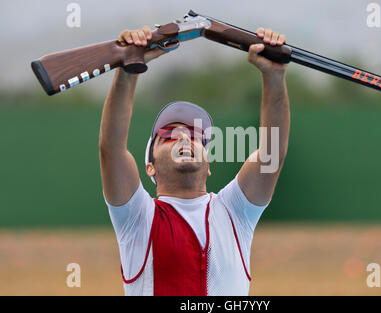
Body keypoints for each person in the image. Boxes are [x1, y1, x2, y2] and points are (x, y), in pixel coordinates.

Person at [99, 24, 290, 296]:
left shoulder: (235, 212)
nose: (185, 138)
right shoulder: (137, 218)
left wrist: (274, 77)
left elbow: (272, 154)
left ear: (209, 166)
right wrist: (129, 69)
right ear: (149, 167)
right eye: (168, 135)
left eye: (196, 136)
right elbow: (112, 149)